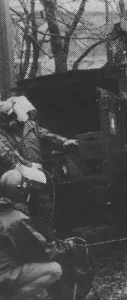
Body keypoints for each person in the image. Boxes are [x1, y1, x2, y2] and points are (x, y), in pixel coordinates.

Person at [0, 169, 97, 300]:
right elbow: (43, 251)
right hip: (5, 275)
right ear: (21, 192)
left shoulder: (5, 211)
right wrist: (68, 246)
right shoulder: (16, 219)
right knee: (55, 269)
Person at [0, 95, 78, 241]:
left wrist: (64, 141)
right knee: (21, 212)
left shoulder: (31, 126)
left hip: (37, 177)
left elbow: (47, 135)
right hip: (17, 180)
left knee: (45, 209)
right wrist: (28, 165)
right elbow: (7, 153)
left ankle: (49, 243)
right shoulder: (3, 132)